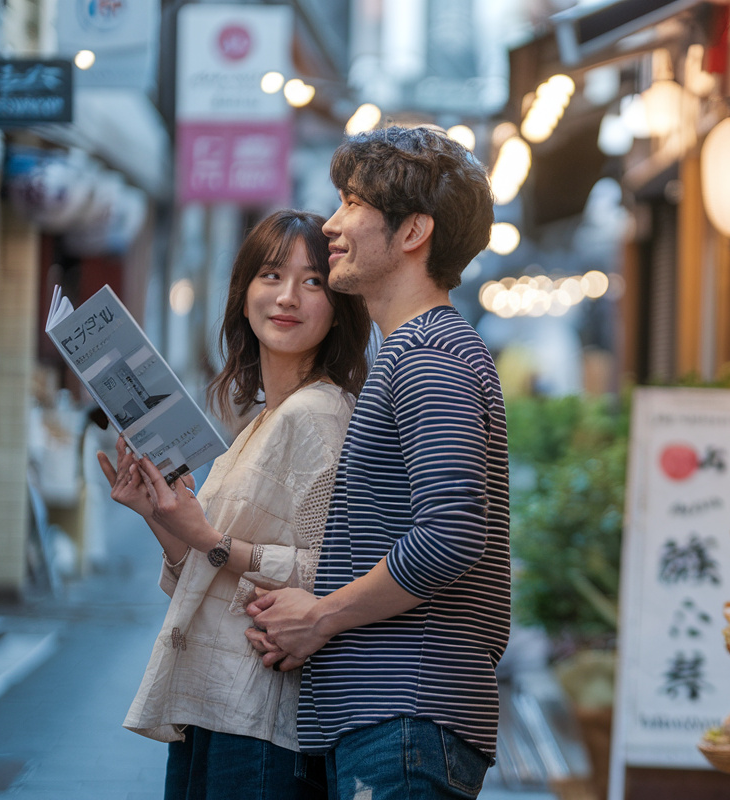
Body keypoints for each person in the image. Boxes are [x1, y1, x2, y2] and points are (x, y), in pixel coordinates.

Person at [244, 126, 510, 800]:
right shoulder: (415, 349)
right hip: (390, 719)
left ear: (413, 231)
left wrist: (322, 615)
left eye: (353, 204)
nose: (332, 224)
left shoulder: (428, 355)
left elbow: (451, 534)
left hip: (405, 716)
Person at [97, 209, 372, 799]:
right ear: (244, 293)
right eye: (271, 275)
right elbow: (209, 575)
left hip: (263, 717)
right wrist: (161, 515)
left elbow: (332, 577)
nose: (288, 296)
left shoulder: (319, 414)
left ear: (339, 303)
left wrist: (207, 537)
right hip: (219, 702)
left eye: (313, 281)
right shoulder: (263, 419)